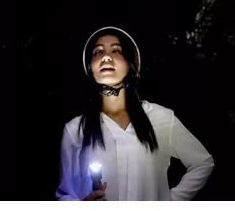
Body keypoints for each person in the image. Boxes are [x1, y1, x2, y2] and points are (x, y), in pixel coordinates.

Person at [57, 26, 214, 201]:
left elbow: (203, 162)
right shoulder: (75, 130)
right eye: (97, 52)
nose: (106, 57)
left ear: (130, 64)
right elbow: (65, 194)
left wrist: (171, 201)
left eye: (116, 50)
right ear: (90, 68)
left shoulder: (160, 118)